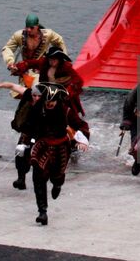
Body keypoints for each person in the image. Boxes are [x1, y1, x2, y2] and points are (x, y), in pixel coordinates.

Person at [0, 48, 85, 192]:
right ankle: (21, 177)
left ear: (60, 60)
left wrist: (67, 93)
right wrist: (18, 67)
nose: (51, 61)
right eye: (50, 58)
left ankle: (72, 145)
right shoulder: (41, 73)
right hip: (38, 111)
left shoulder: (66, 69)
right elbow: (29, 65)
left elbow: (78, 82)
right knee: (21, 148)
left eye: (54, 59)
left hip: (60, 99)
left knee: (65, 126)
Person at [24, 82, 90, 225]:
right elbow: (28, 127)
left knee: (57, 175)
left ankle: (57, 184)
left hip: (61, 146)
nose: (49, 103)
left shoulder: (66, 111)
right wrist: (24, 143)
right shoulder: (37, 109)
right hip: (42, 145)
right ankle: (42, 211)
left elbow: (82, 125)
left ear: (57, 100)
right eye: (47, 100)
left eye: (52, 101)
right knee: (38, 176)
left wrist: (82, 140)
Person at [2, 12, 67, 76]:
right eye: (27, 27)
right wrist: (10, 62)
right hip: (25, 71)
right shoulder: (19, 35)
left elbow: (60, 43)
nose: (29, 30)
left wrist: (62, 62)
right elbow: (7, 48)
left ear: (37, 27)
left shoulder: (48, 35)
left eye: (32, 28)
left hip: (41, 71)